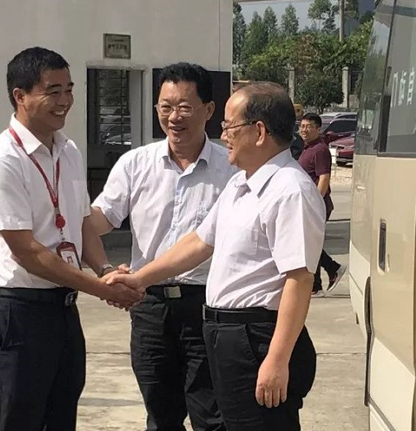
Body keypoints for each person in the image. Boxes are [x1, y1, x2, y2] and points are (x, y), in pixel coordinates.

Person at [107, 82, 326, 431]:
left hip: (257, 337)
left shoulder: (290, 191)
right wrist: (139, 279)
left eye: (229, 126)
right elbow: (198, 243)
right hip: (226, 335)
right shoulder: (241, 184)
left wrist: (277, 359)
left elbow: (299, 279)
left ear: (259, 132)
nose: (223, 136)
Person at [0, 47, 142, 431]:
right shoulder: (1, 162)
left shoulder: (68, 150)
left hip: (63, 310)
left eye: (69, 89)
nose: (65, 101)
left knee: (61, 415)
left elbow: (82, 224)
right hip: (20, 312)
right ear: (20, 95)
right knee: (19, 418)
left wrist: (106, 270)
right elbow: (28, 251)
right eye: (53, 91)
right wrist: (100, 288)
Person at [90, 62, 236, 431]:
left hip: (207, 305)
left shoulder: (232, 169)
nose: (174, 117)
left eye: (185, 107)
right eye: (165, 107)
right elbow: (102, 219)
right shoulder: (135, 164)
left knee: (211, 416)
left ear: (209, 109)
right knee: (160, 416)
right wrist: (60, 217)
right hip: (149, 307)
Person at [298, 113, 346, 296]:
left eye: (309, 126)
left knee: (310, 242)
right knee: (310, 242)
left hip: (317, 204)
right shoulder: (308, 148)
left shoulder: (320, 150)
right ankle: (320, 281)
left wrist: (316, 204)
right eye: (302, 126)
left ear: (318, 129)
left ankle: (329, 271)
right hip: (309, 203)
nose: (304, 130)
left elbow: (324, 178)